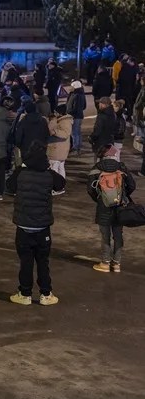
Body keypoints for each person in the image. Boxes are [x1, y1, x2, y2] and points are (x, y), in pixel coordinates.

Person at [5, 141, 63, 306]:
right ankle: (46, 294)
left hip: (23, 226)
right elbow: (61, 184)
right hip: (42, 227)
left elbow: (9, 186)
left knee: (26, 262)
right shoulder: (48, 175)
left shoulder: (20, 173)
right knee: (43, 262)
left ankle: (25, 294)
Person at [88, 145, 136, 273]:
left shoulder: (96, 169)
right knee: (118, 235)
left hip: (103, 207)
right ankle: (117, 264)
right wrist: (123, 196)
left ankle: (105, 263)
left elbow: (90, 190)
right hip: (119, 207)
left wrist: (100, 199)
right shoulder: (121, 167)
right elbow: (132, 185)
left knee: (105, 236)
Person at [66, 80, 87, 155]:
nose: (70, 87)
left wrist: (69, 112)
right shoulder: (80, 94)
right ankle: (78, 146)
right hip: (79, 115)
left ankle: (76, 147)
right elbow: (84, 106)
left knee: (74, 132)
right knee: (77, 131)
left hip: (75, 116)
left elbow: (74, 108)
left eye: (72, 86)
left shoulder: (76, 95)